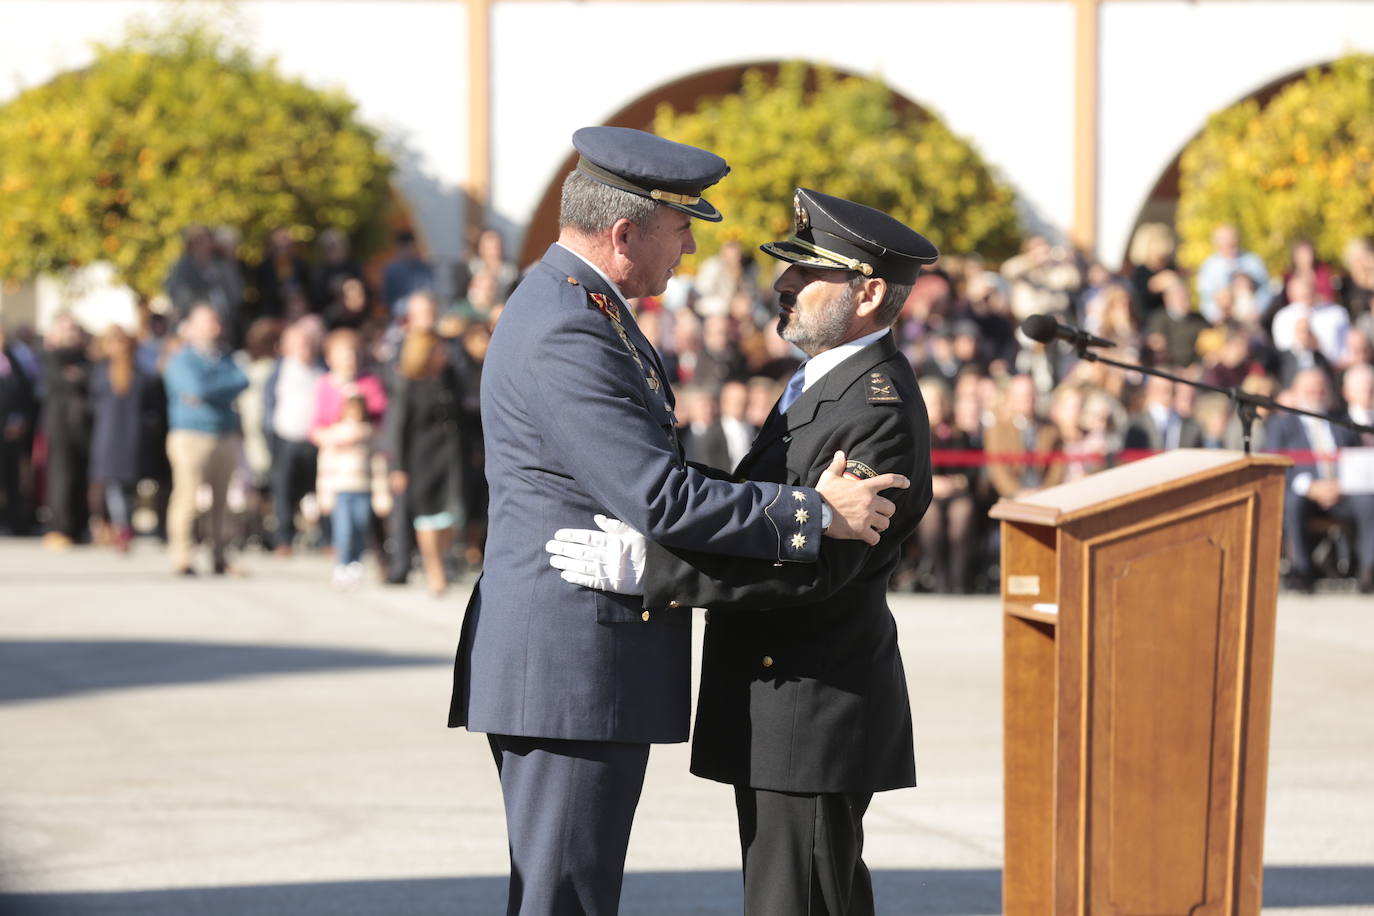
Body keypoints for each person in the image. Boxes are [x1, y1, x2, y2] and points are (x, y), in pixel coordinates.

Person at [446, 131, 906, 916]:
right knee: (565, 895)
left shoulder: (584, 306)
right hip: (568, 662)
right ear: (625, 234)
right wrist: (811, 514)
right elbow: (658, 495)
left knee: (569, 890)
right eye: (681, 226)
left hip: (578, 660)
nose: (690, 247)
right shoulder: (570, 325)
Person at [544, 187, 937, 916]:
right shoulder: (824, 381)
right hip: (782, 699)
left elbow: (818, 565)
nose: (781, 284)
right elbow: (772, 507)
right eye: (785, 267)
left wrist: (656, 570)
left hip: (813, 703)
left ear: (871, 293)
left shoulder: (875, 408)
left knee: (802, 901)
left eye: (805, 272)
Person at [1264, 368, 1374, 593]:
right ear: (1296, 391)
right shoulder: (1282, 425)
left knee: (1368, 501)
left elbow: (1356, 459)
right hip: (1305, 491)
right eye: (1310, 388)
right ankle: (1302, 570)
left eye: (1321, 387)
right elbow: (1274, 463)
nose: (1316, 393)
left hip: (1343, 490)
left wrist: (1340, 485)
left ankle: (1368, 570)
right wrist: (1310, 487)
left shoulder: (1342, 422)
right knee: (1293, 501)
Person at [163, 305, 248, 576]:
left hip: (223, 433)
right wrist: (218, 389)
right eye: (207, 321)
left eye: (215, 321)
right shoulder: (181, 359)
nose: (214, 326)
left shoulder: (224, 358)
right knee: (187, 497)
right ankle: (183, 556)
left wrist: (210, 391)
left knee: (222, 501)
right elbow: (193, 388)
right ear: (191, 327)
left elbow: (241, 381)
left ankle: (220, 555)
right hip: (191, 435)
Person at [387, 329, 464, 595]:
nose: (444, 355)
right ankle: (434, 569)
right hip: (421, 460)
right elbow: (398, 429)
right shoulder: (408, 385)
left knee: (449, 516)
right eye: (438, 350)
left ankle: (442, 559)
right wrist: (397, 468)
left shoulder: (449, 379)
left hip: (450, 458)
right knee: (427, 517)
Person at [311, 328, 388, 586]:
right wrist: (338, 435)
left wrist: (363, 431)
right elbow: (317, 426)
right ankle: (342, 560)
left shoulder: (370, 383)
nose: (350, 359)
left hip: (364, 468)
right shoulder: (325, 385)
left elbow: (379, 419)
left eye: (353, 354)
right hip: (338, 470)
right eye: (344, 354)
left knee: (361, 520)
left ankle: (357, 560)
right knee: (342, 522)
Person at [89, 326, 160, 553]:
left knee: (121, 488)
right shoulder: (104, 372)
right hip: (114, 436)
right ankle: (121, 526)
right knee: (116, 487)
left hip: (120, 437)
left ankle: (122, 526)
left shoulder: (139, 375)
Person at [263, 321, 324, 555]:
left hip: (316, 440)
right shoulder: (279, 372)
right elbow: (268, 408)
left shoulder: (321, 370)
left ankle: (326, 540)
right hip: (286, 439)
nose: (304, 348)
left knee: (320, 492)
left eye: (308, 343)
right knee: (283, 492)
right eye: (299, 343)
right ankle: (283, 539)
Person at [40, 313, 93, 549]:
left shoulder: (86, 358)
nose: (70, 333)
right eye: (65, 329)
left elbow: (88, 380)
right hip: (59, 424)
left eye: (74, 329)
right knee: (61, 478)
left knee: (81, 476)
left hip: (82, 426)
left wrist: (79, 377)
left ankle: (80, 526)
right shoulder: (51, 356)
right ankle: (59, 528)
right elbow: (59, 381)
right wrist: (75, 378)